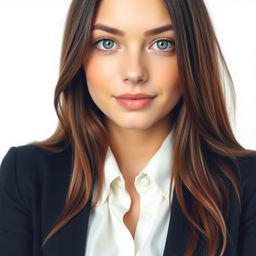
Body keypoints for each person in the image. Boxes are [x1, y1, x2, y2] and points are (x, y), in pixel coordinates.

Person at [0, 0, 256, 255]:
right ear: (78, 54)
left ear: (192, 56)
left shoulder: (246, 186)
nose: (134, 72)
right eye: (107, 43)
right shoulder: (25, 177)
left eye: (162, 44)